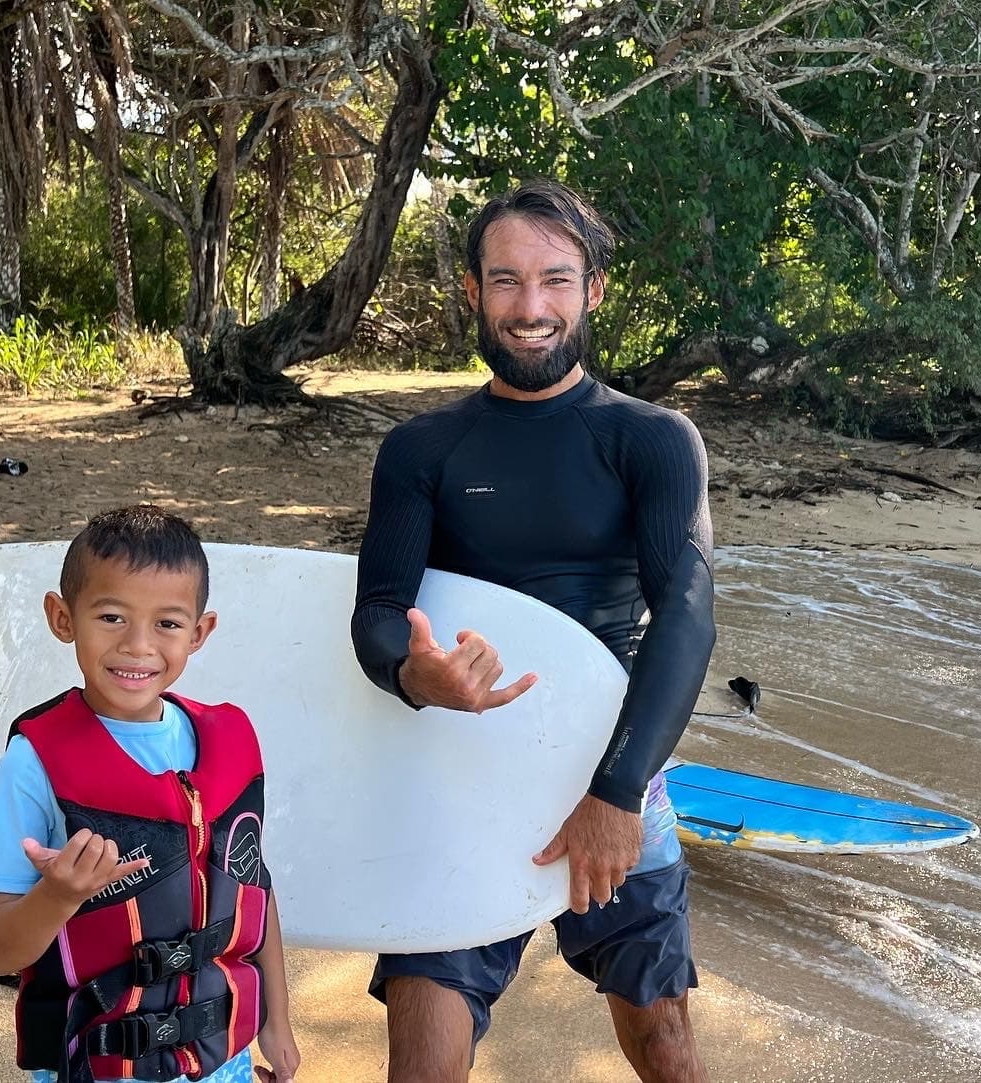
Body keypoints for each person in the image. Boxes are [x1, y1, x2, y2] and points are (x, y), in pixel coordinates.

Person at [351, 179, 716, 1082]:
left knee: (665, 1042)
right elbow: (377, 612)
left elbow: (687, 617)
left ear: (592, 290)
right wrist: (415, 677)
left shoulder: (653, 439)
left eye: (555, 280)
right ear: (472, 292)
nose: (530, 308)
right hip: (461, 765)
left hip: (614, 763)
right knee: (423, 1055)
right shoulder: (422, 451)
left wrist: (619, 792)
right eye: (506, 281)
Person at [0, 505, 300, 1083]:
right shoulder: (34, 764)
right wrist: (59, 895)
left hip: (225, 1057)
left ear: (200, 632)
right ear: (62, 617)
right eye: (112, 616)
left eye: (168, 624)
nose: (138, 646)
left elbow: (253, 887)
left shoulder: (232, 742)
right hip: (98, 1065)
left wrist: (275, 1018)